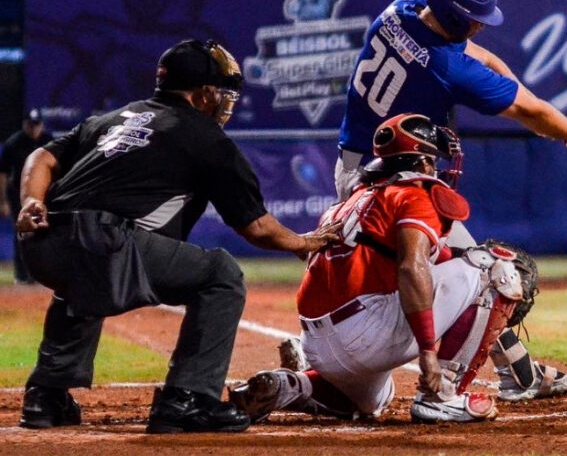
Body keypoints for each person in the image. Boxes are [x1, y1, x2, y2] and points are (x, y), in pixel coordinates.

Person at [14, 39, 340, 434]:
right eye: (221, 91)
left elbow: (41, 157)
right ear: (203, 93)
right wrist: (305, 242)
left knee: (84, 279)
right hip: (103, 241)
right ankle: (188, 399)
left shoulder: (114, 118)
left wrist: (32, 200)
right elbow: (256, 227)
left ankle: (45, 395)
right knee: (221, 275)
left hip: (43, 243)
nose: (225, 101)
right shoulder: (205, 137)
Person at [328, 0, 567, 402]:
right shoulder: (447, 69)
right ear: (453, 15)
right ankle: (442, 389)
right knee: (487, 273)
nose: (481, 28)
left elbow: (482, 61)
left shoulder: (400, 11)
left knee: (468, 262)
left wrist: (508, 83)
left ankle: (520, 372)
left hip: (359, 168)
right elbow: (534, 113)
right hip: (392, 187)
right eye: (474, 19)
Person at [230, 113, 532, 423]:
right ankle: (440, 396)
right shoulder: (413, 193)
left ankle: (291, 386)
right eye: (433, 161)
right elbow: (412, 269)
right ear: (421, 162)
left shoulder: (353, 200)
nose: (437, 168)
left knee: (373, 401)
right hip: (363, 334)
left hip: (318, 340)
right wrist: (428, 351)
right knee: (495, 268)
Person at [0, 109, 54, 285]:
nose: (34, 129)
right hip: (19, 195)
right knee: (22, 233)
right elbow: (3, 174)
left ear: (42, 124)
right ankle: (22, 275)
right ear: (24, 125)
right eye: (31, 125)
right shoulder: (14, 143)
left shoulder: (49, 141)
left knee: (45, 234)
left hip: (45, 195)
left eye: (36, 124)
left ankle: (43, 275)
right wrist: (4, 201)